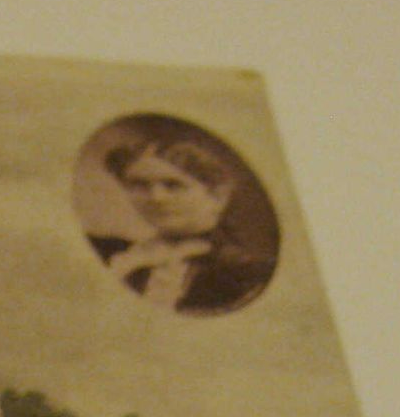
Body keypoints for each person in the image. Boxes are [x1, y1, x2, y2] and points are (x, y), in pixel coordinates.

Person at [88, 119, 276, 315]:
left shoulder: (245, 273)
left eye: (173, 185)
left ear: (218, 195)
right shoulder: (120, 256)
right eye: (139, 185)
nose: (156, 197)